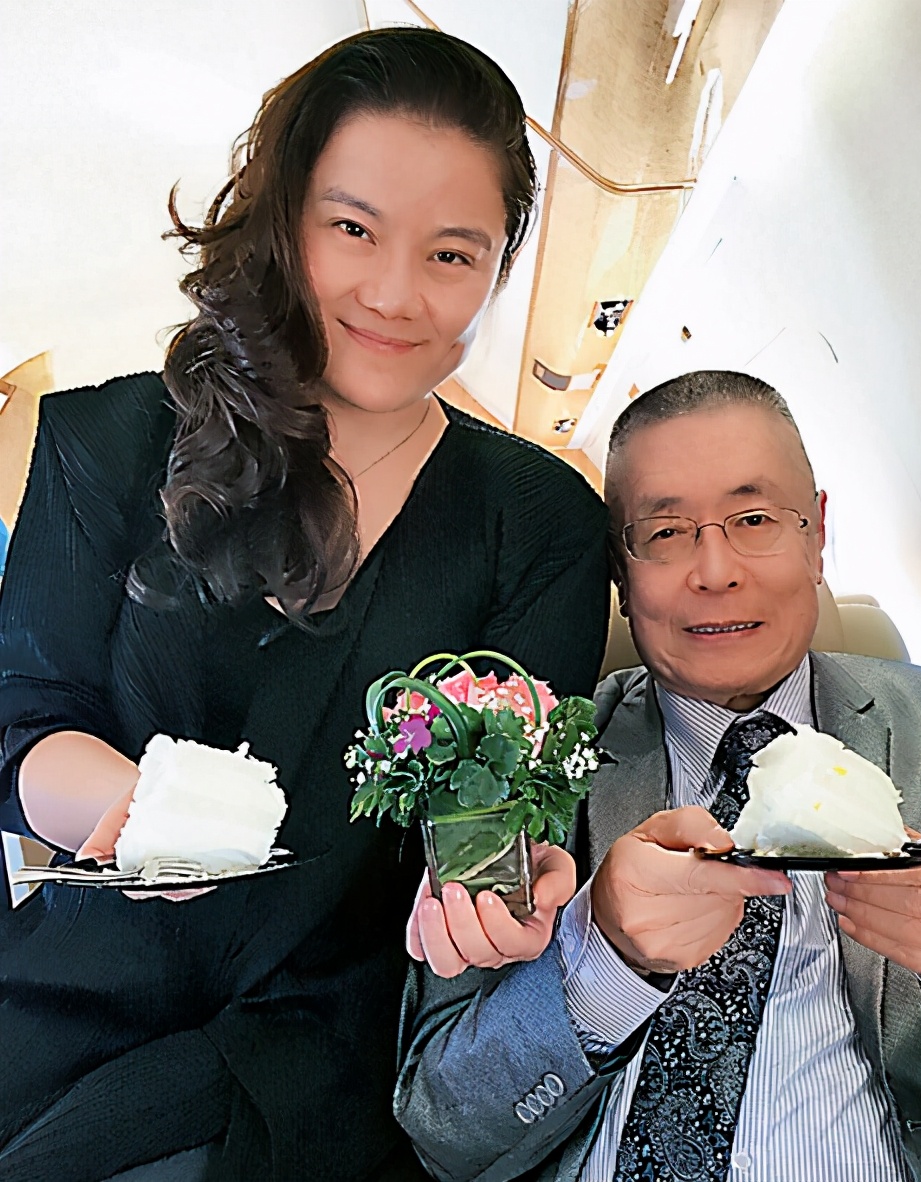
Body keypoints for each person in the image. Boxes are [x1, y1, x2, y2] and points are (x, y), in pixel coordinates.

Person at [0, 28, 609, 1182]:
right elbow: (22, 718)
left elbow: (508, 788)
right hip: (76, 987)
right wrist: (120, 805)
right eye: (353, 229)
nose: (394, 294)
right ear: (284, 221)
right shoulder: (107, 439)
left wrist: (492, 888)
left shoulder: (540, 520)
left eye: (452, 253)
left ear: (498, 269)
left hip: (320, 1051)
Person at [396, 370, 921, 1182]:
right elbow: (446, 1132)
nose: (715, 570)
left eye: (755, 519)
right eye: (664, 533)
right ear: (620, 574)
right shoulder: (521, 761)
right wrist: (602, 965)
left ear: (817, 535)